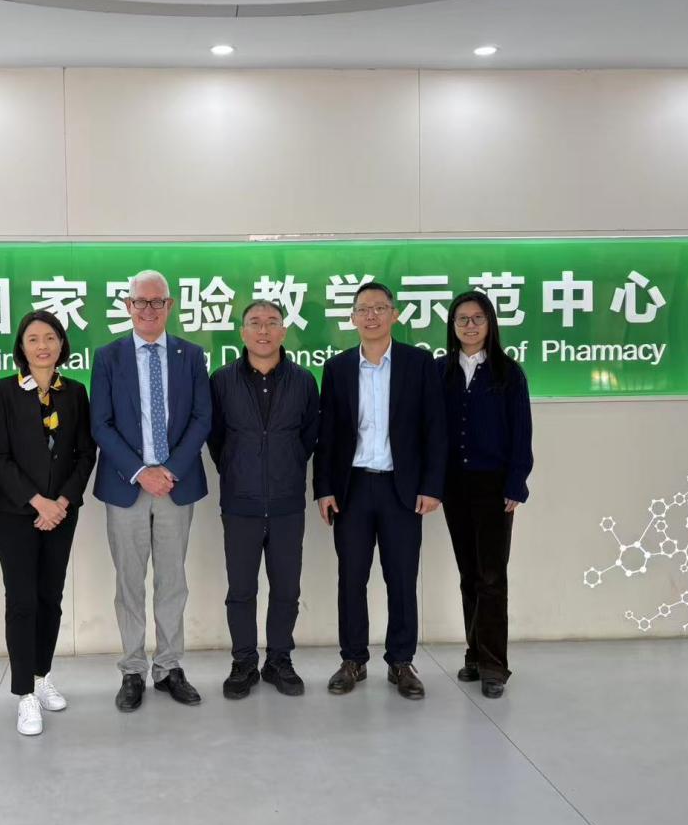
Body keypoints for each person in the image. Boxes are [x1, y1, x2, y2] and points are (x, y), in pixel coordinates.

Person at [314, 281, 447, 700]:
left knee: (401, 578)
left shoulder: (418, 364)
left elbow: (435, 429)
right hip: (352, 488)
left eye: (379, 308)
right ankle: (352, 659)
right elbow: (327, 435)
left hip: (400, 489)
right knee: (351, 578)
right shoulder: (337, 368)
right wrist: (324, 488)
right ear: (352, 317)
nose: (371, 316)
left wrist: (432, 485)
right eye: (363, 309)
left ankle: (401, 661)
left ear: (394, 314)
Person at [90, 269, 212, 712]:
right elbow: (100, 423)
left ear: (169, 306)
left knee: (172, 580)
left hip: (176, 485)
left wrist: (169, 470)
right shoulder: (109, 356)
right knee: (129, 583)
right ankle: (132, 669)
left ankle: (169, 666)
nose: (148, 309)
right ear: (128, 306)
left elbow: (202, 418)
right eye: (140, 301)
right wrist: (141, 471)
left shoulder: (190, 355)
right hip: (128, 485)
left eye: (157, 301)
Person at [0, 310, 96, 735]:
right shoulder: (3, 391)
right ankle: (23, 694)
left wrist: (61, 502)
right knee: (22, 601)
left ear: (62, 344)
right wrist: (38, 503)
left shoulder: (75, 392)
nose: (42, 346)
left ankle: (41, 675)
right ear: (21, 347)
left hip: (62, 514)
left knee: (51, 597)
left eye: (50, 337)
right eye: (33, 339)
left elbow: (85, 454)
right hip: (14, 513)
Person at [208, 300, 319, 699]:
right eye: (255, 323)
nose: (263, 330)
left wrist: (284, 465)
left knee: (287, 588)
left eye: (272, 322)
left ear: (284, 331)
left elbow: (309, 436)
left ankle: (279, 661)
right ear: (242, 332)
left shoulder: (303, 380)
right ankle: (243, 662)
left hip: (288, 502)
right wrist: (238, 467)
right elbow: (216, 437)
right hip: (241, 502)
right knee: (241, 589)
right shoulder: (222, 380)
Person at [437, 291, 534, 699]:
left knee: (492, 576)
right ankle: (474, 654)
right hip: (454, 485)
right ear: (452, 326)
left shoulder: (508, 373)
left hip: (495, 487)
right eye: (462, 319)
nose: (470, 326)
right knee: (469, 574)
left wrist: (516, 482)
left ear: (490, 323)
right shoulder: (440, 371)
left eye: (478, 318)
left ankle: (495, 666)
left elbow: (522, 432)